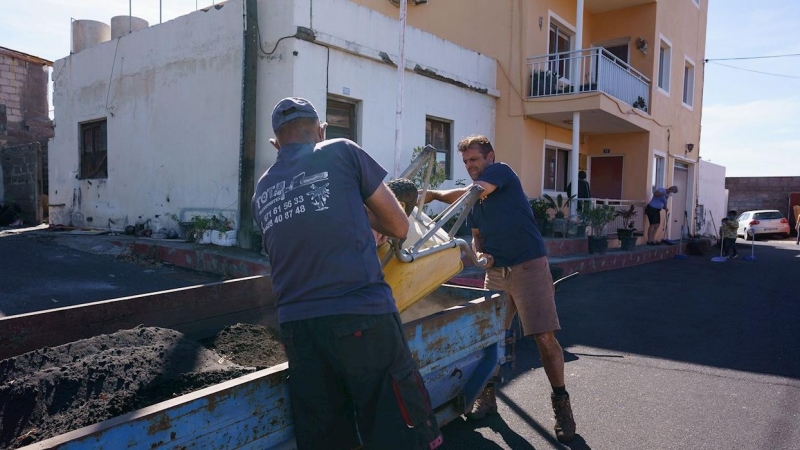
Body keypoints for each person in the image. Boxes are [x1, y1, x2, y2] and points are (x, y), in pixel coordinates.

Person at [252, 97, 442, 450]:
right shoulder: (341, 150)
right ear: (322, 131)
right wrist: (363, 214)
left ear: (276, 143)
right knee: (399, 434)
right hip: (361, 318)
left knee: (327, 440)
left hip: (298, 332)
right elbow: (399, 226)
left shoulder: (261, 190)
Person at [422, 135, 576, 443]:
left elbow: (470, 194)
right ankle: (487, 398)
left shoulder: (501, 173)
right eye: (466, 162)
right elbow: (478, 237)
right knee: (488, 338)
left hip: (529, 267)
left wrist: (433, 195)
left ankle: (561, 405)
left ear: (490, 157)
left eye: (475, 160)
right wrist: (481, 256)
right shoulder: (476, 203)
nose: (470, 166)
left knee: (544, 338)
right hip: (496, 273)